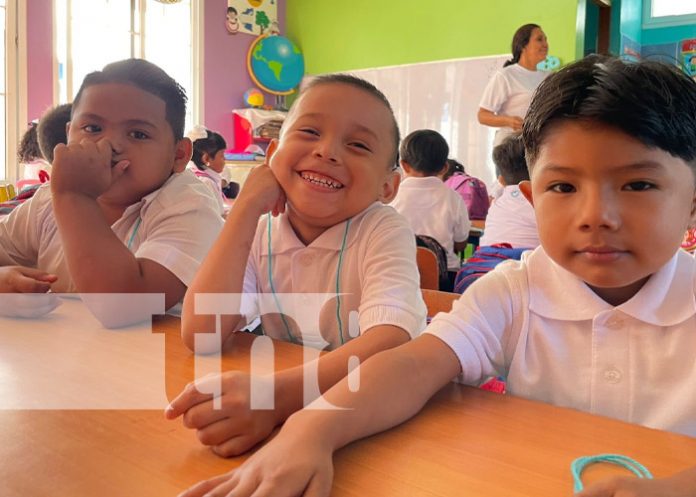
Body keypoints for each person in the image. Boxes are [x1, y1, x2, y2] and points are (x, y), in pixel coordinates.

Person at [178, 56, 696, 497]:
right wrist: (311, 426)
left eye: (638, 184)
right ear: (532, 199)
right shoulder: (513, 292)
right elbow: (410, 367)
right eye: (563, 188)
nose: (595, 216)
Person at [166, 74, 427, 457]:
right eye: (309, 131)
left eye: (357, 144)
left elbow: (391, 341)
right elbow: (202, 333)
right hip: (288, 422)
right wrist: (245, 210)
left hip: (378, 419)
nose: (327, 152)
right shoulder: (259, 230)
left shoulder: (382, 228)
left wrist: (276, 397)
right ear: (272, 154)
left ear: (388, 186)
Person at [0, 59, 223, 325]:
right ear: (69, 135)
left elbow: (125, 306)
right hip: (61, 357)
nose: (110, 144)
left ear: (179, 155)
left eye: (138, 134)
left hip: (155, 361)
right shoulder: (49, 200)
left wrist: (75, 198)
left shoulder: (190, 206)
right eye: (93, 128)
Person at [454, 133, 538, 293]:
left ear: (501, 180)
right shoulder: (546, 202)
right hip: (528, 281)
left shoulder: (498, 202)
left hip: (479, 278)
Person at [390, 129, 470, 286]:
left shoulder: (391, 197)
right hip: (444, 277)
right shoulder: (453, 198)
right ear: (445, 167)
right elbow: (461, 244)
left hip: (398, 275)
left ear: (403, 165)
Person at [478, 23, 549, 199]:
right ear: (523, 45)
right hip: (510, 152)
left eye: (546, 39)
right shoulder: (506, 75)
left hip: (537, 148)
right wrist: (510, 121)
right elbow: (483, 115)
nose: (545, 44)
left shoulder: (547, 76)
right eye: (539, 39)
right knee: (511, 200)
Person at [187, 125, 228, 216]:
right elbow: (216, 216)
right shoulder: (207, 182)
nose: (225, 159)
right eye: (221, 155)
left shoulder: (194, 175)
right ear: (206, 159)